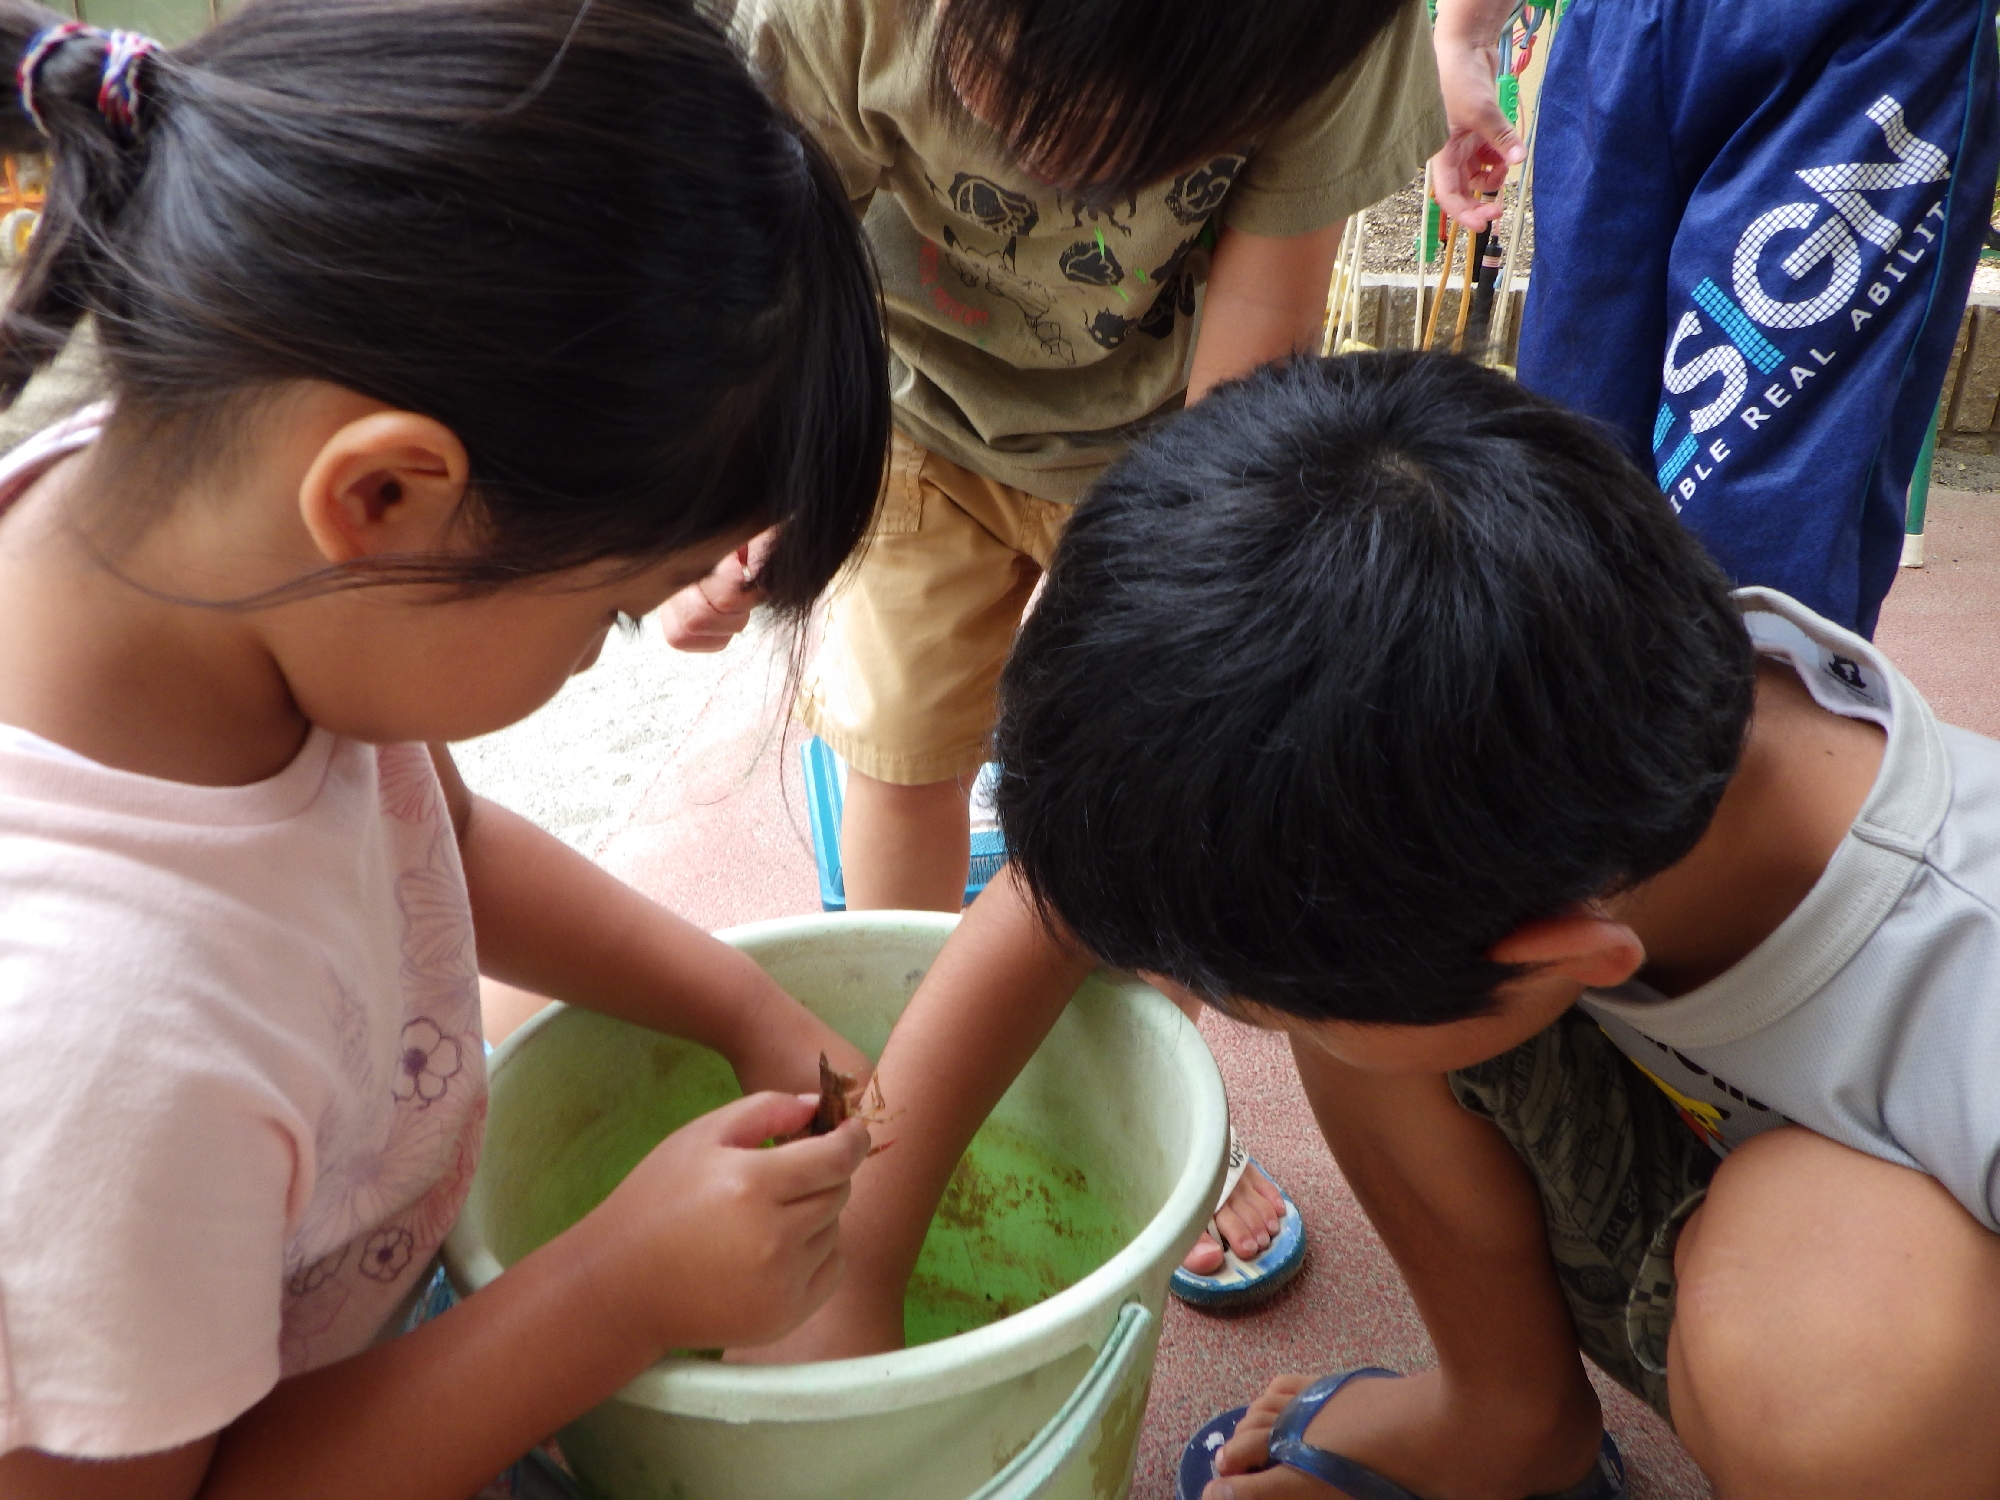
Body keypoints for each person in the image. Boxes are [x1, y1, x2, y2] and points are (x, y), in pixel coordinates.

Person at [0, 1, 890, 1496]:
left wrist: (738, 1003)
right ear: (387, 497)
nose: (609, 641)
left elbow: (437, 847)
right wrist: (615, 1293)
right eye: (611, 610)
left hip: (357, 1317)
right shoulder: (88, 1048)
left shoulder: (195, 552)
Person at [992, 351, 2000, 1500]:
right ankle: (1505, 1419)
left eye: (1245, 1015)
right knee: (1348, 954)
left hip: (1903, 1339)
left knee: (1832, 1357)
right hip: (1722, 1157)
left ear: (1553, 962)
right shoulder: (1557, 688)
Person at [663, 0, 1447, 1303]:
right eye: (1019, 79)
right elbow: (773, 284)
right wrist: (732, 508)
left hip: (1172, 438)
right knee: (903, 757)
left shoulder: (1333, 29)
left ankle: (1117, 1115)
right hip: (909, 414)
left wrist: (1149, 617)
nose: (1071, 147)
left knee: (1157, 788)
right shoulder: (836, 13)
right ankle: (901, 1084)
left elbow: (1253, 357)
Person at [1430, 0, 2000, 639]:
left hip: (1856, 45)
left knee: (1758, 560)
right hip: (1626, 31)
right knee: (1570, 481)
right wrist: (1466, 29)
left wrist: (1465, 29)